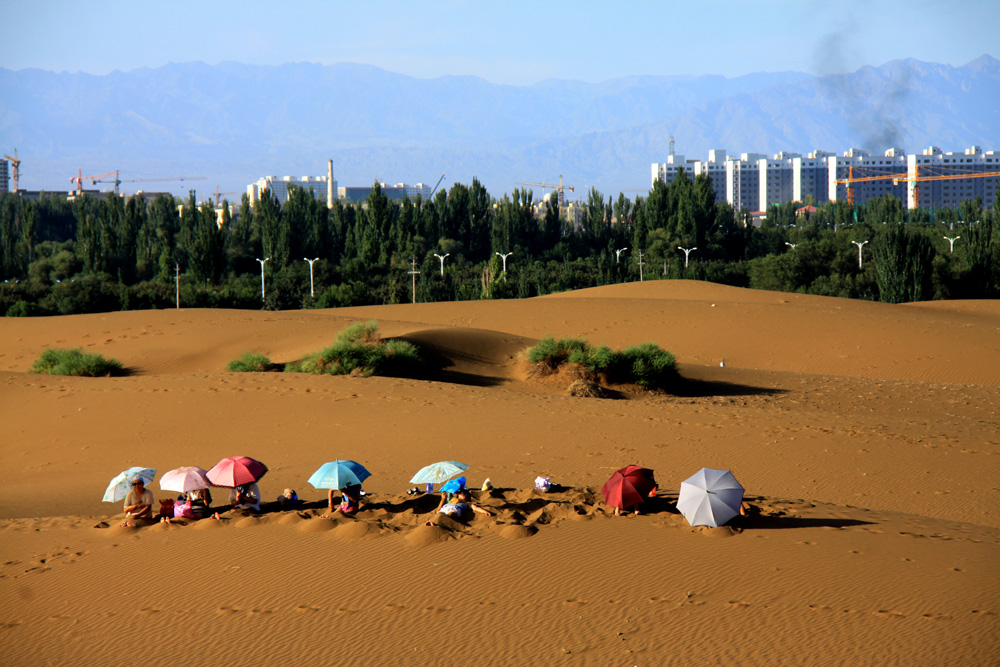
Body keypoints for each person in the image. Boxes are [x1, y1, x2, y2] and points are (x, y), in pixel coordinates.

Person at [426, 487, 493, 525]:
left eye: (463, 492)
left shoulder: (466, 503)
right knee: (439, 514)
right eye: (460, 492)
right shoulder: (451, 500)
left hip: (454, 510)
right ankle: (434, 523)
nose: (461, 493)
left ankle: (437, 525)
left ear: (467, 497)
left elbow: (475, 508)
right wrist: (443, 499)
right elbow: (438, 509)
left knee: (450, 515)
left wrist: (484, 512)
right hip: (444, 509)